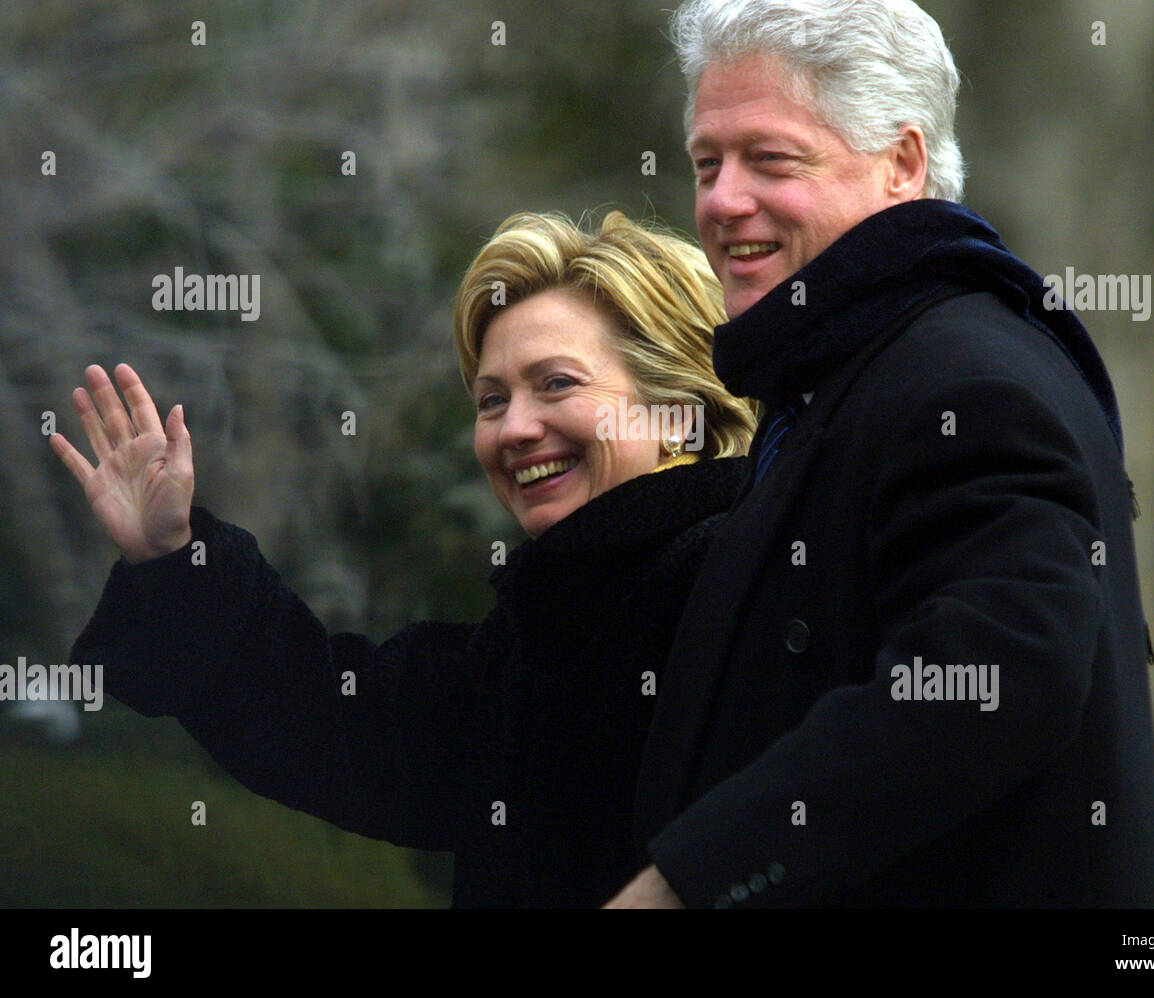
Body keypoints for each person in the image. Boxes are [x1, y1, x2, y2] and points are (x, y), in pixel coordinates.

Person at [605, 0, 1154, 908]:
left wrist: (690, 879)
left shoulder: (962, 379)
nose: (722, 201)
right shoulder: (857, 371)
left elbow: (998, 672)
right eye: (707, 163)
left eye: (772, 160)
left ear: (904, 164)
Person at [53, 210, 756, 908]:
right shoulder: (539, 633)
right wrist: (173, 557)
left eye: (558, 384)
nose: (514, 429)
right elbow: (335, 726)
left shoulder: (745, 585)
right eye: (492, 399)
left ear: (677, 409)